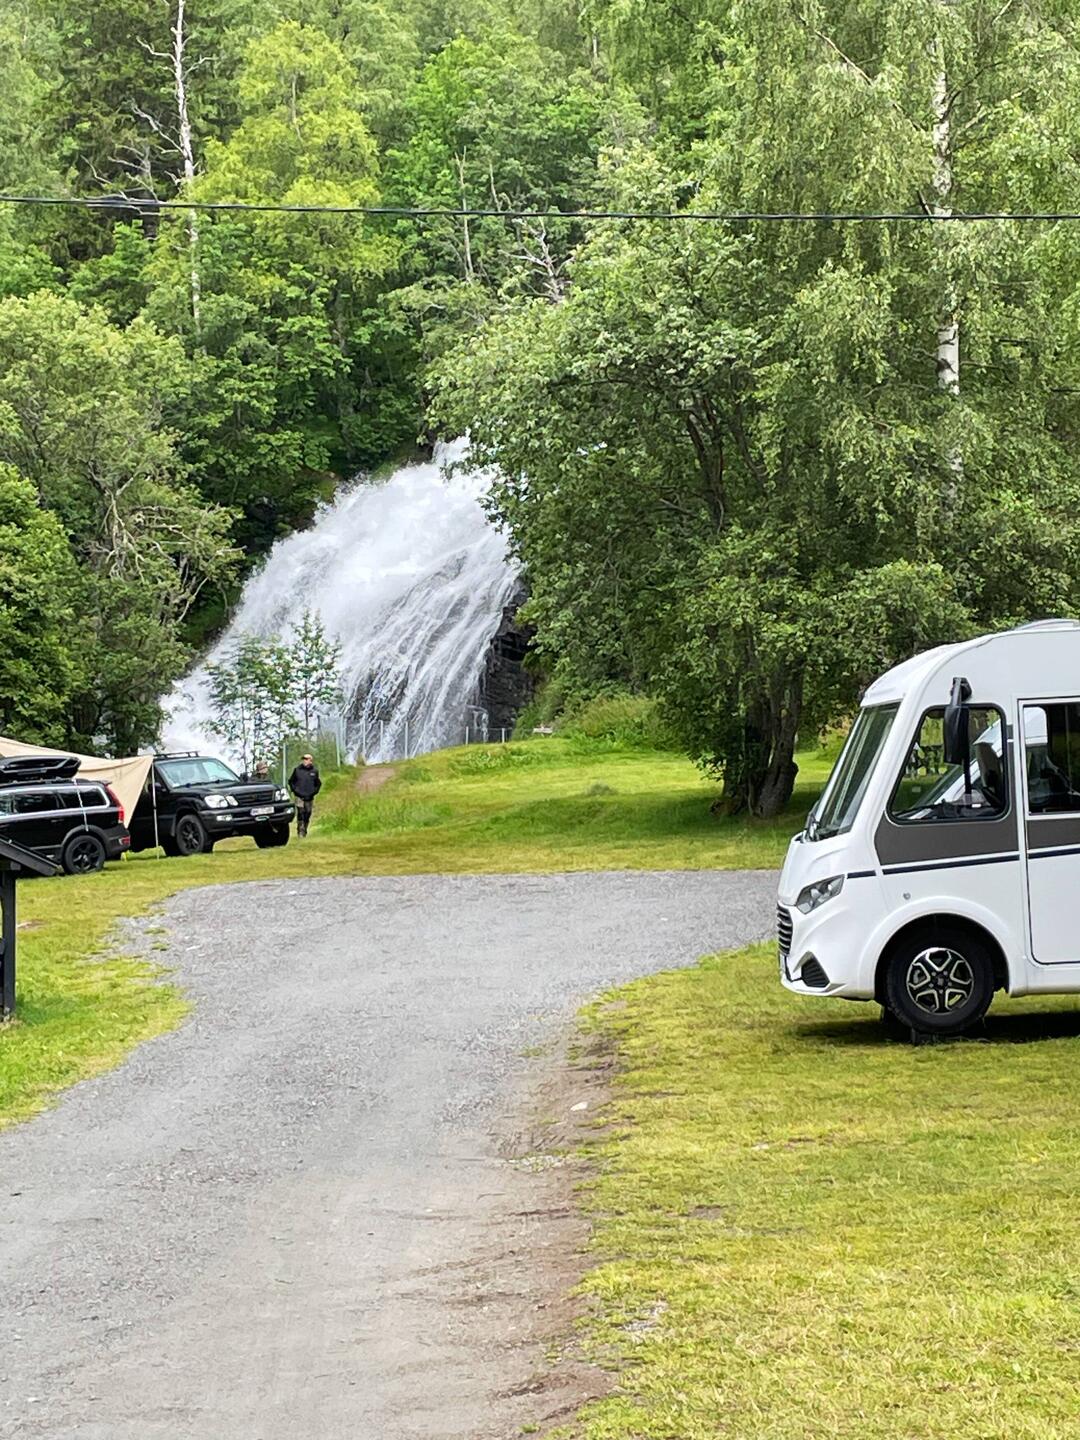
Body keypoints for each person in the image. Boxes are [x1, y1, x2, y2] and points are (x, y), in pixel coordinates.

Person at [288, 753, 322, 837]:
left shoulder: (314, 771)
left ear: (311, 761)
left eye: (307, 759)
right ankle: (300, 830)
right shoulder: (297, 770)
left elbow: (318, 783)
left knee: (308, 812)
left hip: (309, 796)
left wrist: (314, 792)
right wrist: (295, 790)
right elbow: (291, 781)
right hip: (299, 796)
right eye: (304, 759)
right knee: (300, 812)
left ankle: (305, 829)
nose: (305, 760)